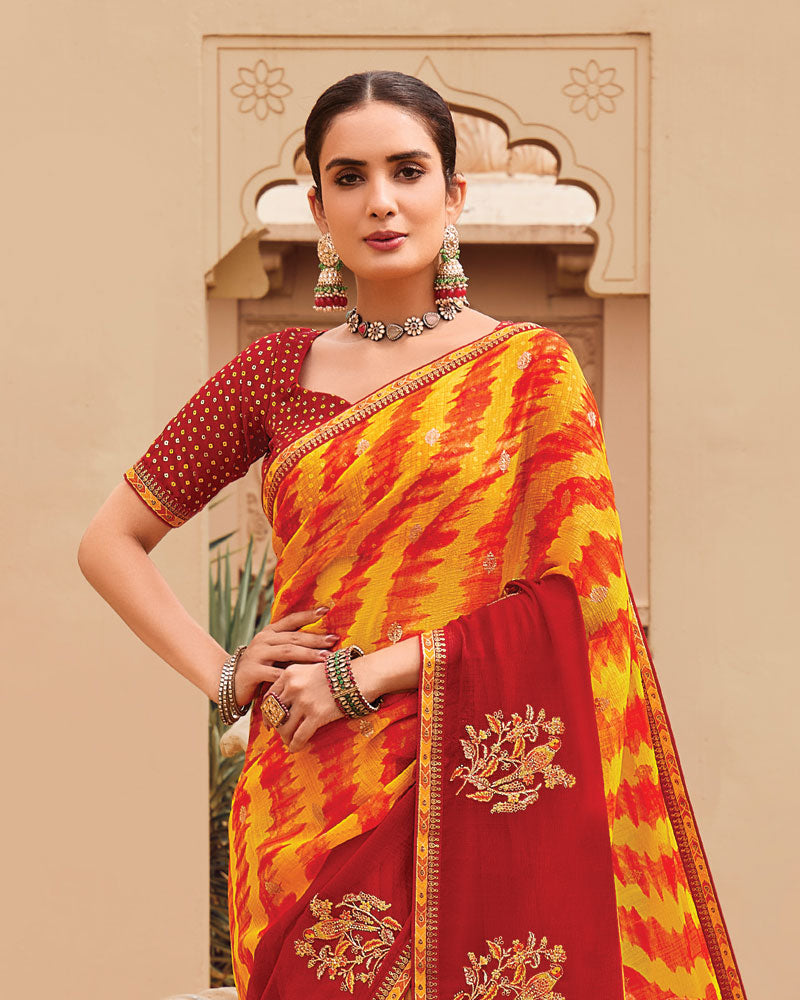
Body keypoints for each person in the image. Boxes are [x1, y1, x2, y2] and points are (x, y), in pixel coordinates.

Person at [78, 71, 747, 1000]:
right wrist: (226, 677)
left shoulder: (530, 370)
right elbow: (109, 541)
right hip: (307, 793)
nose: (380, 202)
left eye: (407, 170)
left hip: (473, 769)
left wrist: (364, 676)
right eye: (348, 178)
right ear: (318, 207)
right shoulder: (273, 372)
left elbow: (581, 597)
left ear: (454, 194)